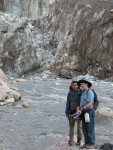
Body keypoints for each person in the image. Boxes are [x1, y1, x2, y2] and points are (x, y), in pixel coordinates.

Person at [78, 79, 95, 149]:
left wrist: (83, 107)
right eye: (81, 84)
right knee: (84, 128)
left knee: (90, 127)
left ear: (87, 84)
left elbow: (90, 103)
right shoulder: (83, 92)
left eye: (83, 84)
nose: (81, 85)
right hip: (83, 111)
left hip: (89, 111)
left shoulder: (90, 92)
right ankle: (86, 142)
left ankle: (91, 143)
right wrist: (79, 107)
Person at [65, 81, 82, 146]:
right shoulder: (69, 93)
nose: (74, 86)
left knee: (79, 127)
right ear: (71, 86)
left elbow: (83, 101)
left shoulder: (80, 92)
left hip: (78, 112)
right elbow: (67, 103)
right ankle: (71, 140)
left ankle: (79, 140)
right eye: (73, 85)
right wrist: (67, 111)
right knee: (71, 127)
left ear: (78, 86)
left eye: (76, 85)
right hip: (71, 112)